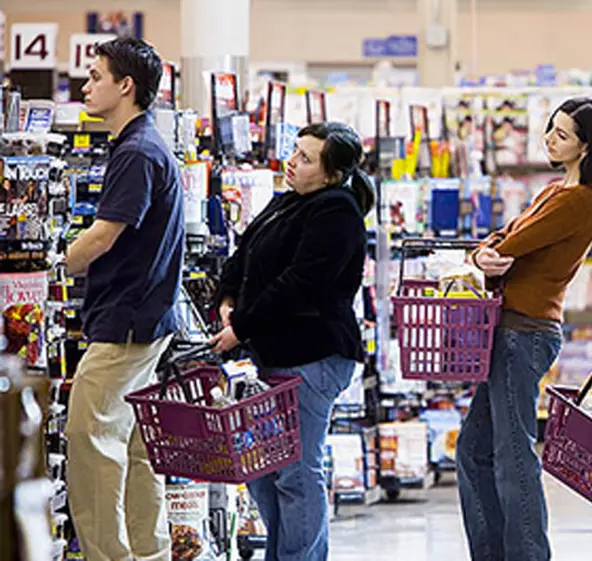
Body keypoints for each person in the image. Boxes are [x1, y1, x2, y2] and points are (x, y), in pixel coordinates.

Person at [456, 97, 592, 561]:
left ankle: (527, 554)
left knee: (513, 456)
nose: (549, 138)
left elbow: (511, 244)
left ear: (587, 148)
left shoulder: (580, 201)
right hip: (508, 330)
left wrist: (492, 252)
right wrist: (488, 252)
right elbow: (499, 240)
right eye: (550, 128)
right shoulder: (553, 191)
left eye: (562, 134)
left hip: (524, 334)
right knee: (474, 451)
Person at [209, 122, 374, 561]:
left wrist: (240, 326)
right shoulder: (287, 201)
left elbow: (301, 284)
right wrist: (227, 297)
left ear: (332, 174)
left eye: (305, 159)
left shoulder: (337, 211)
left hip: (312, 355)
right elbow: (244, 252)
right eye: (294, 152)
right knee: (265, 472)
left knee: (296, 474)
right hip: (272, 353)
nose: (292, 162)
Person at [64, 37, 184, 561]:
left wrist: (50, 266)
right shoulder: (145, 145)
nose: (87, 86)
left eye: (95, 77)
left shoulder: (136, 152)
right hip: (147, 321)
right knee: (135, 450)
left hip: (125, 325)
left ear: (125, 86)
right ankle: (148, 551)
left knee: (89, 446)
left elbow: (103, 235)